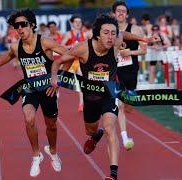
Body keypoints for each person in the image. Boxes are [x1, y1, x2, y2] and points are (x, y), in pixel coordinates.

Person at [50, 13, 153, 180]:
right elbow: (57, 62)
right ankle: (95, 134)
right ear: (97, 34)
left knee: (110, 128)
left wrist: (144, 39)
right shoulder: (83, 48)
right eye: (106, 32)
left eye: (113, 33)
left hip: (108, 94)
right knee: (90, 130)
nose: (110, 36)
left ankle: (112, 174)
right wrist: (55, 78)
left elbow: (124, 34)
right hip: (90, 98)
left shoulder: (116, 43)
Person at [0, 8, 67, 177]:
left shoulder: (45, 43)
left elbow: (69, 55)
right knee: (29, 119)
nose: (19, 28)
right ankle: (36, 155)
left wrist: (59, 77)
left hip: (48, 88)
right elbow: (8, 56)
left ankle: (53, 152)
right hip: (30, 88)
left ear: (32, 25)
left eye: (23, 24)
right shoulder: (15, 46)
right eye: (16, 26)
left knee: (51, 126)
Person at [112, 1, 147, 151]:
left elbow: (144, 50)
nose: (120, 13)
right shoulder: (109, 30)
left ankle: (123, 128)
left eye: (123, 11)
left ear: (127, 14)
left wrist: (129, 52)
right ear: (114, 13)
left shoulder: (136, 29)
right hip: (115, 71)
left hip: (131, 70)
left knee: (128, 106)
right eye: (118, 11)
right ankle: (125, 137)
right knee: (119, 104)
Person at [61, 14, 86, 112]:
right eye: (76, 22)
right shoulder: (68, 34)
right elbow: (61, 46)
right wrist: (71, 46)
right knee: (61, 81)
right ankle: (54, 97)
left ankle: (81, 104)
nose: (78, 24)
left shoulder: (85, 34)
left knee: (82, 83)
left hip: (80, 62)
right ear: (72, 23)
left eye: (79, 22)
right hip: (70, 62)